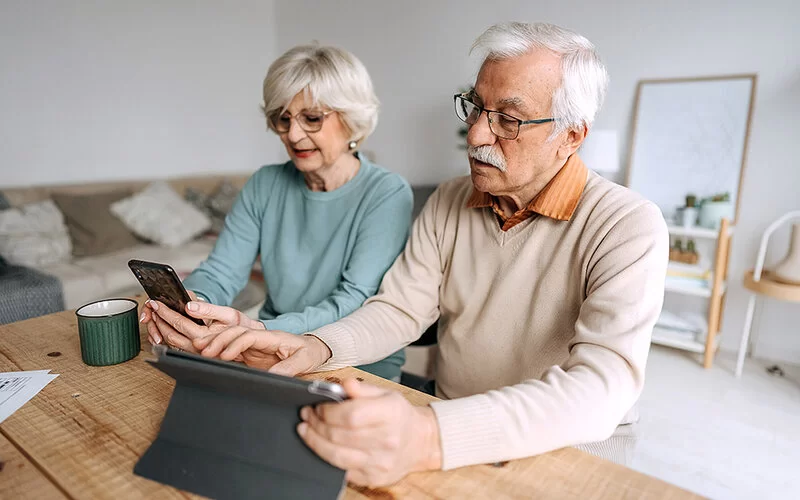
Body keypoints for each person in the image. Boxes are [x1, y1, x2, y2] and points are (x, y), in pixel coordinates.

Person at [152, 21, 669, 487]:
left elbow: (602, 388)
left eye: (508, 120)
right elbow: (398, 309)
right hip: (448, 417)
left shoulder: (626, 225)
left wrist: (428, 434)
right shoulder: (449, 199)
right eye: (475, 107)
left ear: (570, 137)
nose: (476, 134)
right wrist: (311, 346)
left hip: (569, 447)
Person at [141, 43, 412, 381]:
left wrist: (259, 329)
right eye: (282, 119)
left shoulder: (386, 193)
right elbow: (222, 270)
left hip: (351, 359)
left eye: (311, 118)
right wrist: (194, 303)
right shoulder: (265, 184)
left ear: (351, 119)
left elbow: (353, 301)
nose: (293, 135)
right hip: (264, 348)